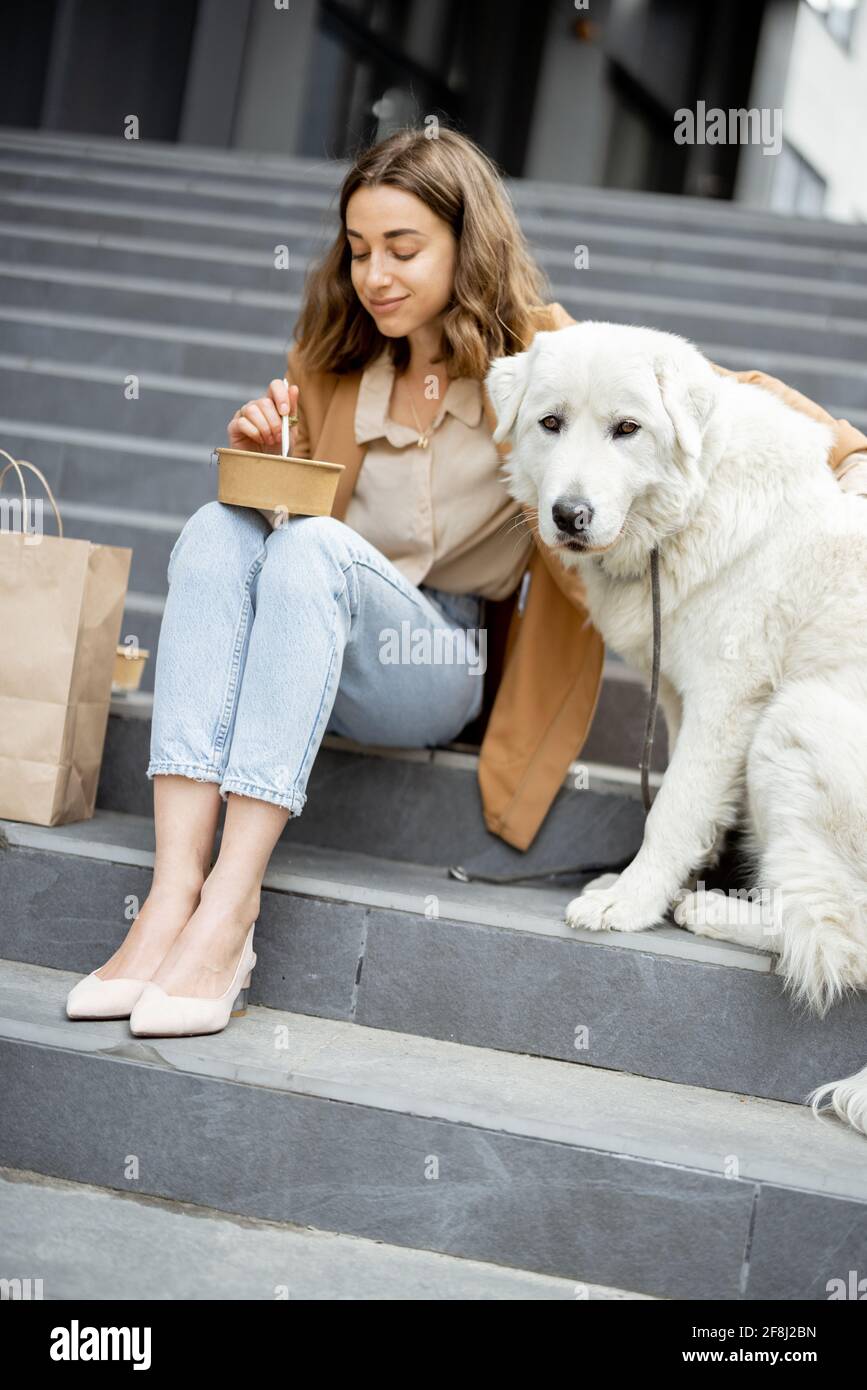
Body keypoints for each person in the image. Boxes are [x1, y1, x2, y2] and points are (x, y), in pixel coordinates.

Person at [65, 125, 867, 1036]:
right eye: (360, 251)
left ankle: (232, 905)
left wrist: (849, 452)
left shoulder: (545, 357)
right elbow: (289, 520)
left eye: (404, 250)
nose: (375, 276)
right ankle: (172, 899)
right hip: (305, 623)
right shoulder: (329, 365)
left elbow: (717, 387)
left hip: (429, 657)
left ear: (463, 245)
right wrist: (270, 452)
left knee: (315, 553)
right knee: (219, 529)